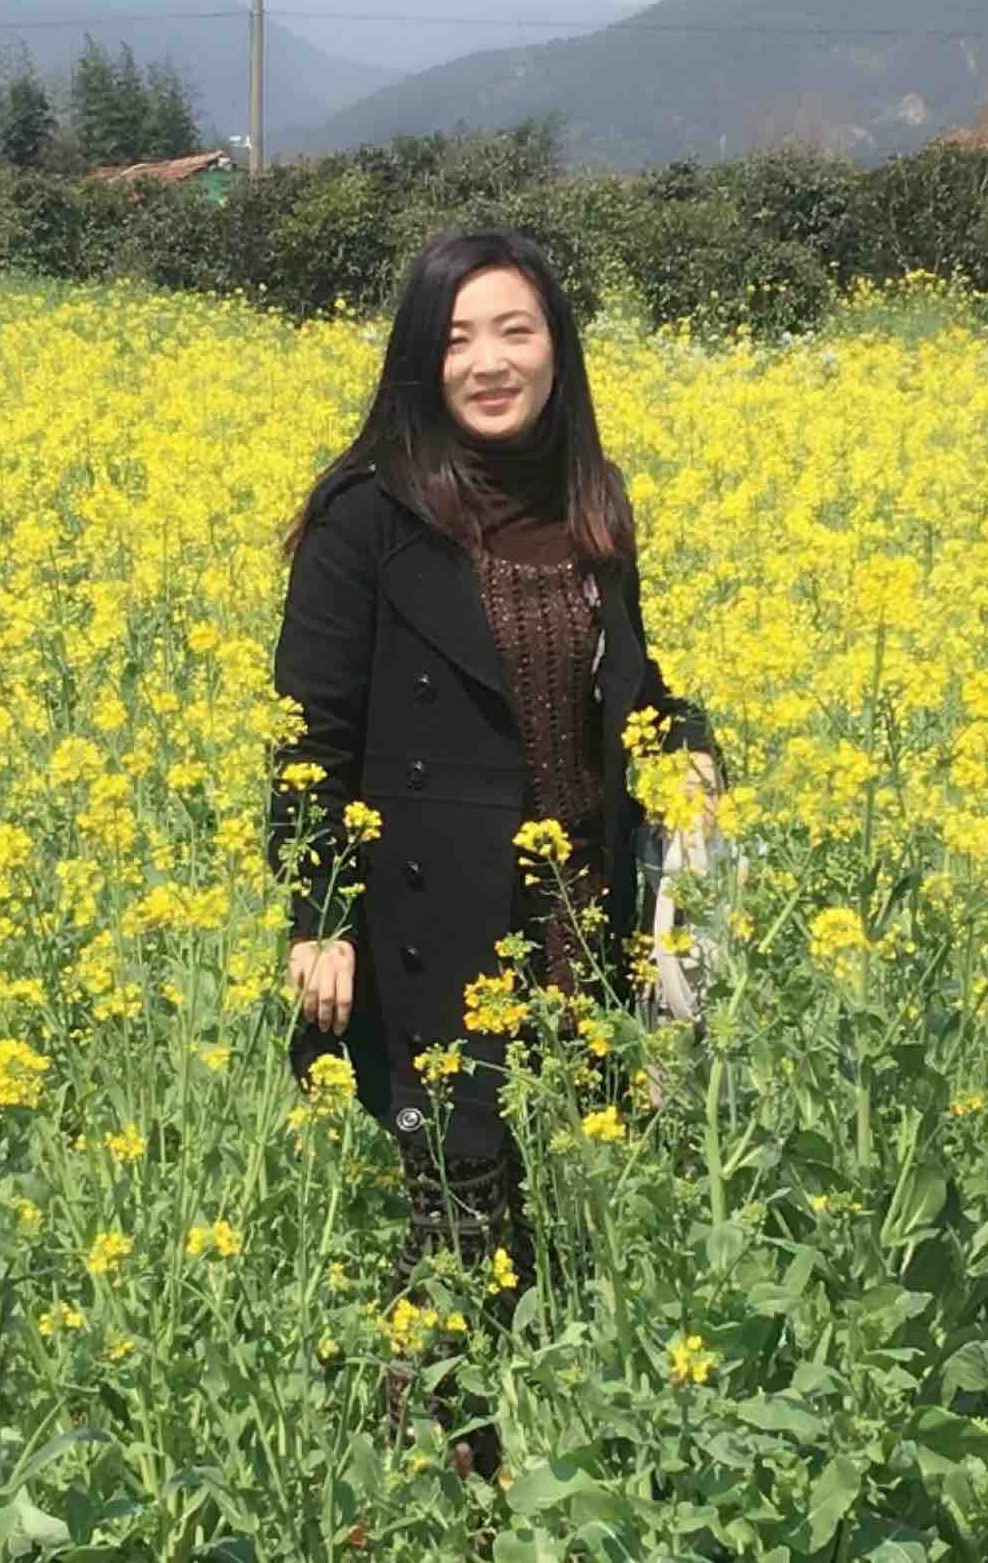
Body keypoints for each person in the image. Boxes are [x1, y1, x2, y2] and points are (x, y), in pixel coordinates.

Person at [267, 227, 719, 1465]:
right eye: (458, 337)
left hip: (577, 919)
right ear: (422, 359)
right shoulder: (367, 517)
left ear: (556, 349)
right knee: (463, 1217)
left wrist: (685, 740)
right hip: (437, 925)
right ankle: (432, 1476)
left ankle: (559, 1467)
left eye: (515, 330)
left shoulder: (590, 503)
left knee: (569, 1209)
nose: (489, 361)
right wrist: (318, 917)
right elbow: (310, 737)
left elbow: (625, 690)